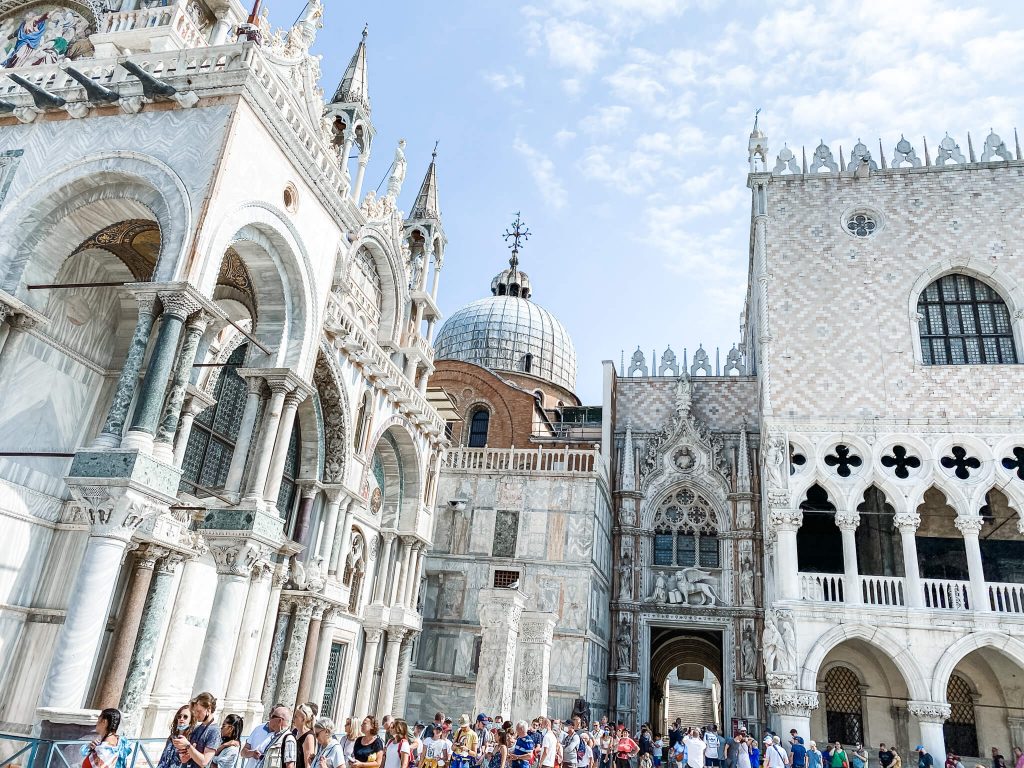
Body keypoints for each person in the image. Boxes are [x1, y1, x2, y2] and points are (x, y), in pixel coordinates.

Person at [178, 693, 222, 768]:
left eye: (198, 711)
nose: (195, 714)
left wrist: (188, 745)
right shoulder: (198, 728)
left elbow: (204, 762)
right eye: (194, 711)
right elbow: (187, 757)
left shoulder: (214, 731)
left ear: (208, 709)